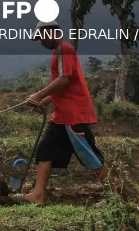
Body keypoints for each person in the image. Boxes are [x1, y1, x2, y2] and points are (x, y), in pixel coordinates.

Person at [16, 19, 111, 206]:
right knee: (44, 151)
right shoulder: (60, 51)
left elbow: (64, 80)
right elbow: (63, 87)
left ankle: (115, 196)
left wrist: (37, 94)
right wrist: (43, 101)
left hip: (73, 116)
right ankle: (38, 194)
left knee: (91, 156)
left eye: (41, 37)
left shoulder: (64, 50)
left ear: (49, 32)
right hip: (62, 117)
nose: (41, 42)